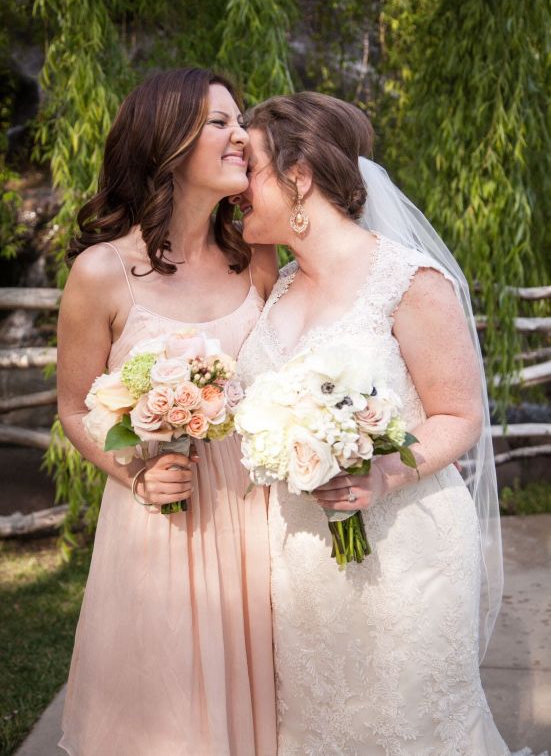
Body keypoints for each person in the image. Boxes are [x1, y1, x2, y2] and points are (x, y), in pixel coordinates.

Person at [236, 91, 542, 755]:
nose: (237, 185)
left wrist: (378, 476)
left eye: (250, 168)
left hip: (406, 552)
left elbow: (458, 415)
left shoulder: (409, 280)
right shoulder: (283, 284)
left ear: (298, 177)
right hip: (302, 559)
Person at [57, 67, 278, 756]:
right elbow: (73, 407)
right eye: (220, 122)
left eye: (239, 121)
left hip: (258, 519)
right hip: (159, 526)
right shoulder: (102, 273)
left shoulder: (260, 261)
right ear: (166, 140)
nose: (242, 134)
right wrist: (136, 475)